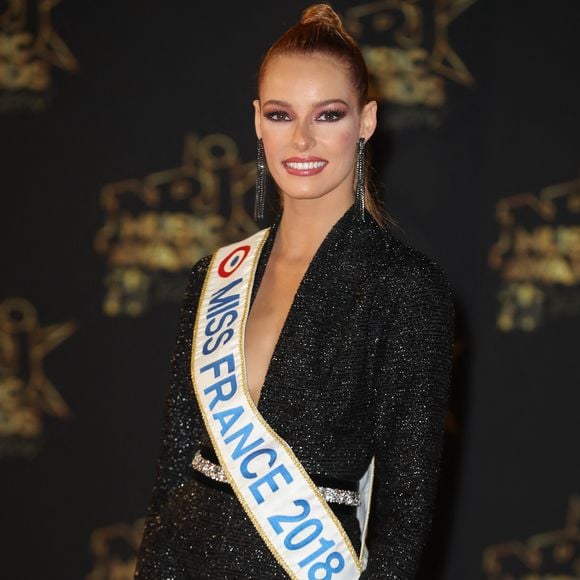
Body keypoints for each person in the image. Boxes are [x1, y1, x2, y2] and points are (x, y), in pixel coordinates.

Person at [135, 4, 454, 579]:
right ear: (257, 120)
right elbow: (172, 477)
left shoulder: (406, 288)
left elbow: (405, 519)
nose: (302, 138)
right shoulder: (216, 275)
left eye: (328, 114)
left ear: (367, 120)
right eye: (281, 115)